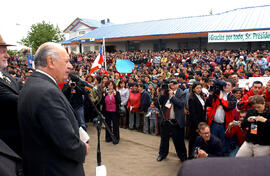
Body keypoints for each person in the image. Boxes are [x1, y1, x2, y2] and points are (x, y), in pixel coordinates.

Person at [18, 42, 89, 176]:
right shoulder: (46, 92)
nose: (70, 66)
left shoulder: (34, 84)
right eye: (67, 61)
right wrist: (82, 148)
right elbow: (66, 143)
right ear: (51, 61)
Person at [0, 34, 22, 156]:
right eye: (2, 52)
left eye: (6, 51)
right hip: (7, 151)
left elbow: (22, 90)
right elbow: (21, 100)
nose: (7, 56)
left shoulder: (5, 75)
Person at [157, 80, 187, 162]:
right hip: (166, 120)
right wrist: (163, 93)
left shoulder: (182, 93)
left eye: (174, 84)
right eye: (171, 84)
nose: (172, 85)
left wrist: (172, 97)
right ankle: (162, 154)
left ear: (177, 84)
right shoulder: (166, 92)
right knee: (164, 140)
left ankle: (183, 156)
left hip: (176, 121)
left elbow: (181, 104)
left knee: (179, 141)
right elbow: (160, 102)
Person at [187, 81, 206, 158]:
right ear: (193, 89)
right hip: (195, 124)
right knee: (193, 141)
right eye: (197, 88)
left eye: (200, 88)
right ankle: (191, 157)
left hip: (202, 122)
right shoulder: (192, 98)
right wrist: (197, 126)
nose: (199, 89)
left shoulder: (202, 96)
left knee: (200, 141)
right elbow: (193, 114)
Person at [101, 80, 121, 144]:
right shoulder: (105, 93)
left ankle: (116, 138)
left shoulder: (117, 93)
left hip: (115, 111)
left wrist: (115, 95)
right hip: (107, 111)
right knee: (108, 125)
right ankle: (108, 137)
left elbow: (118, 102)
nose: (110, 86)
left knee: (115, 125)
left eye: (111, 85)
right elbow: (101, 102)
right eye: (109, 85)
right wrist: (103, 95)